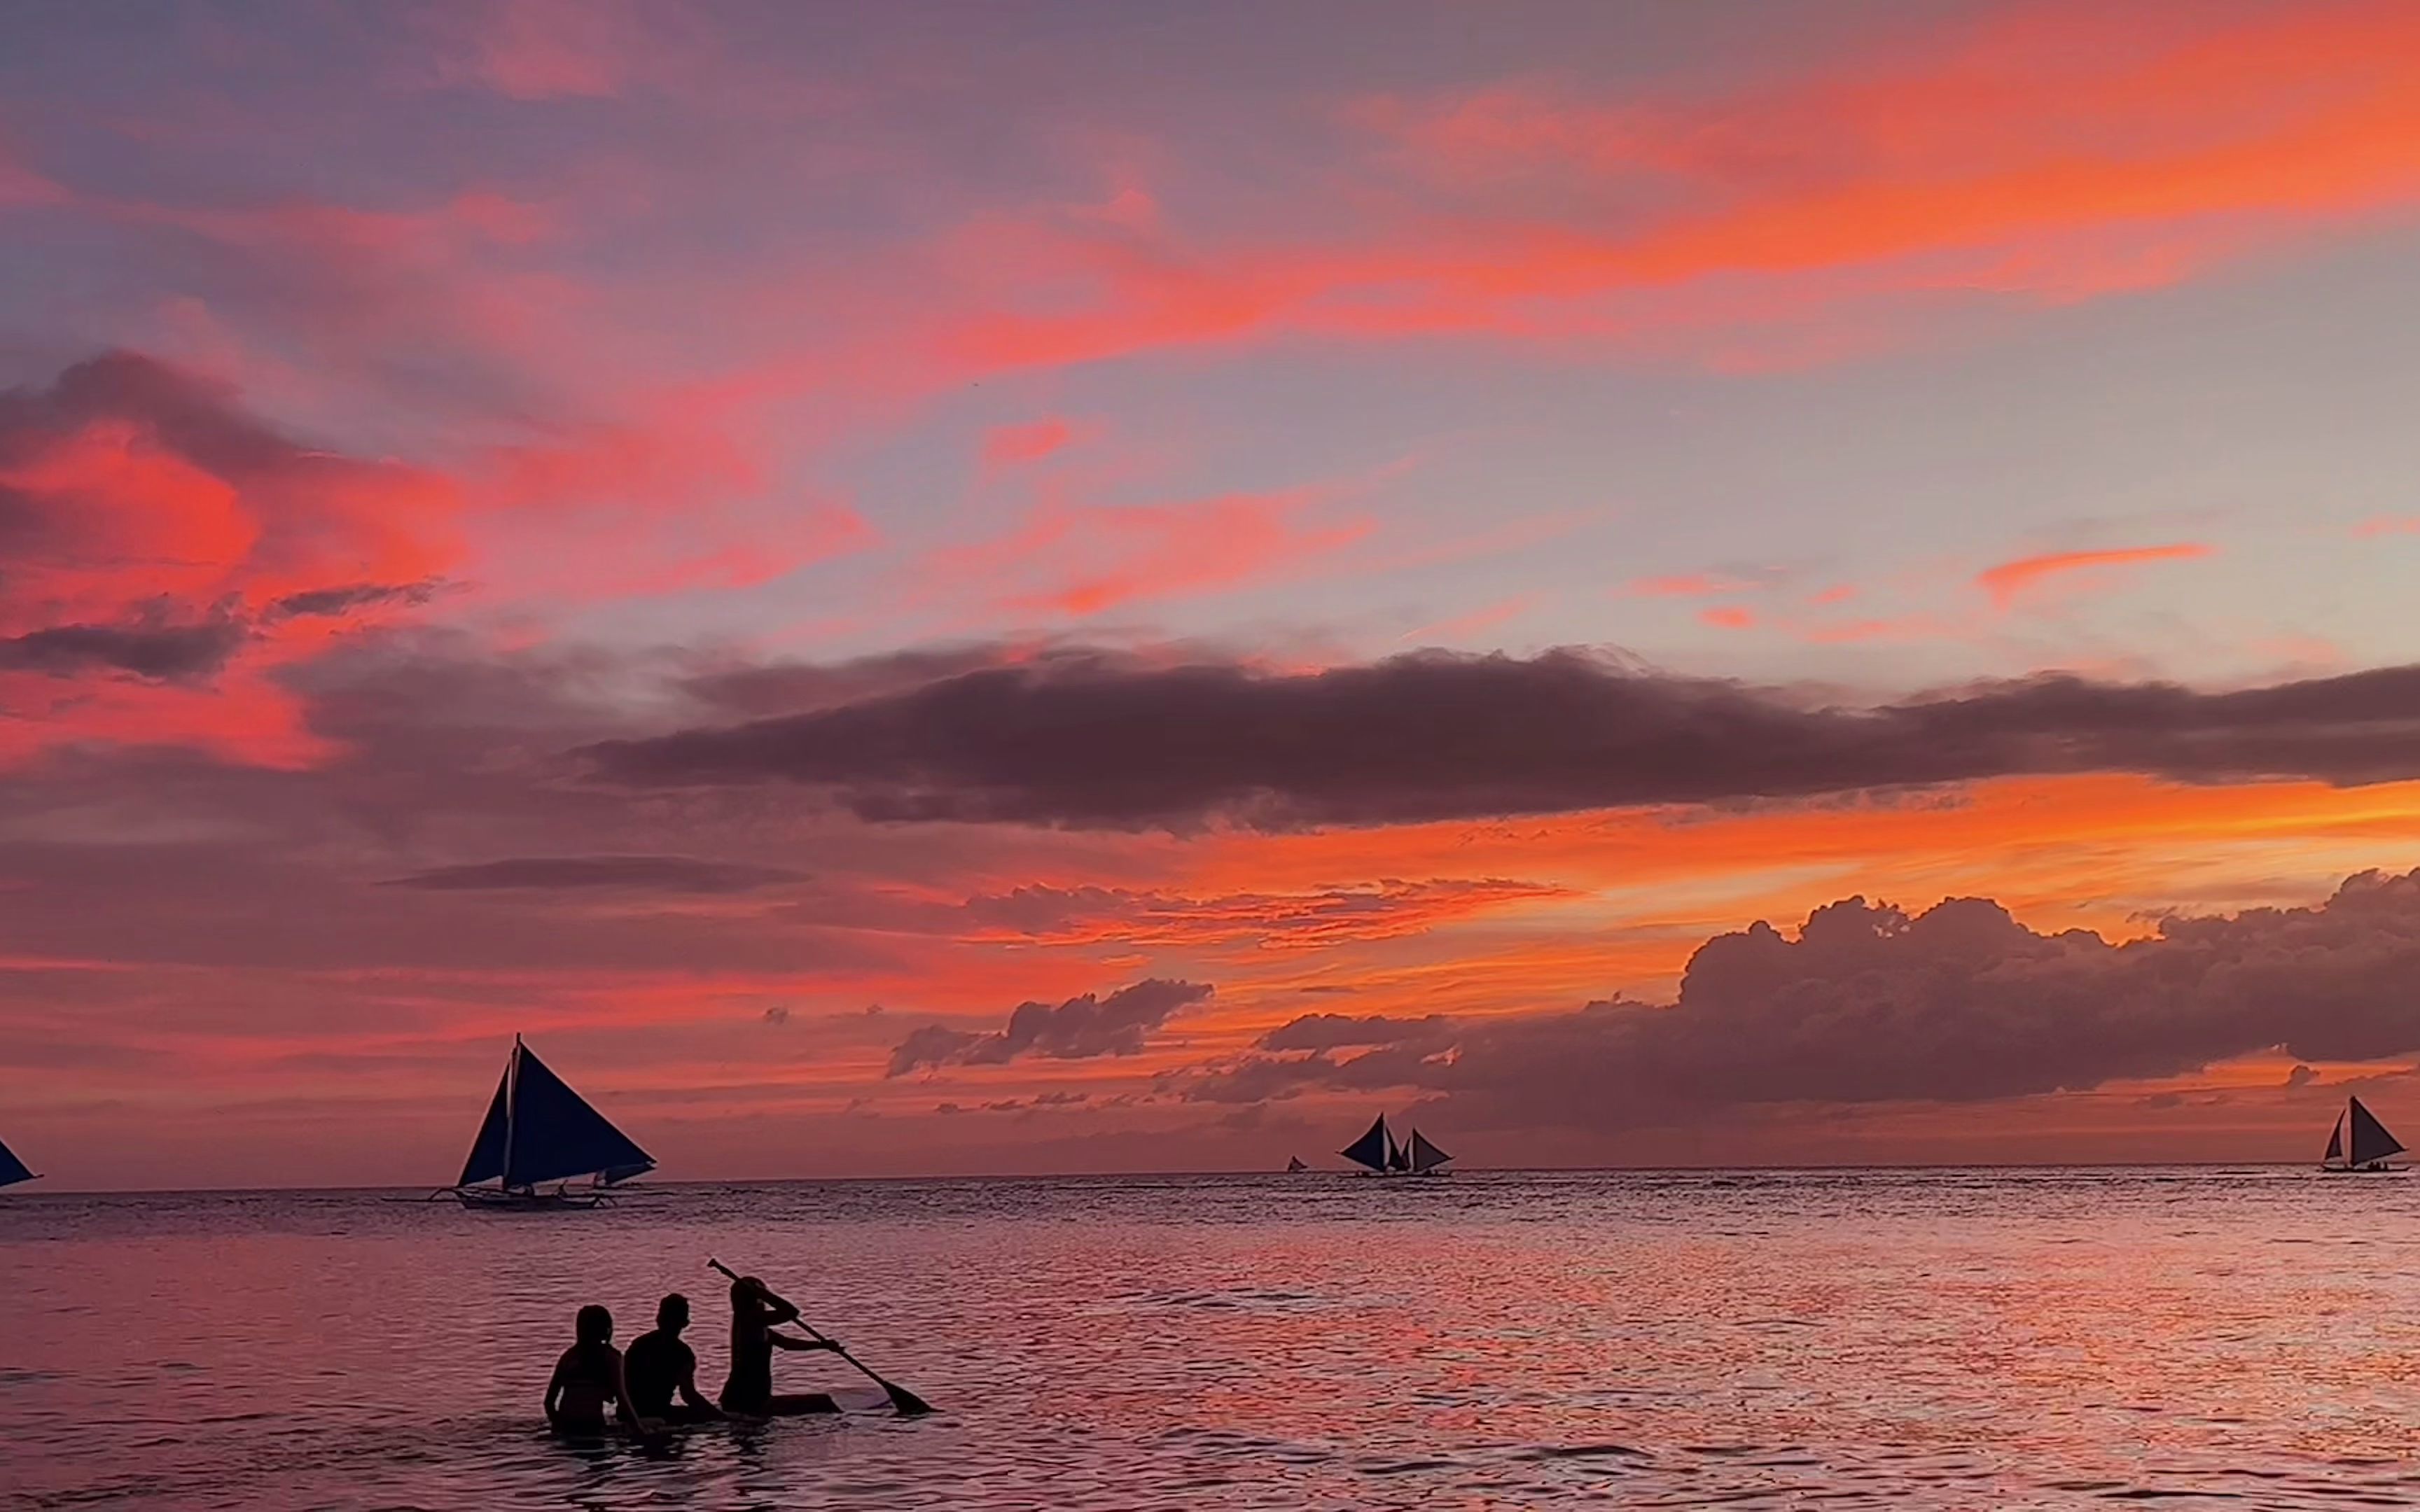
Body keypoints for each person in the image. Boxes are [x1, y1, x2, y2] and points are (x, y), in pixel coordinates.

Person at [718, 1275, 841, 1416]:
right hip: (745, 1400)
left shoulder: (759, 1327)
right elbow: (790, 1312)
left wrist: (823, 1345)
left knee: (823, 1402)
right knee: (823, 1403)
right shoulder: (750, 1320)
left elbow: (787, 1343)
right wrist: (763, 1293)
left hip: (755, 1398)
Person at [544, 1303, 656, 1435]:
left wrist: (558, 1424)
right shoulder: (611, 1357)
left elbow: (549, 1402)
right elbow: (622, 1397)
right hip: (593, 1424)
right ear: (607, 1329)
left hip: (567, 1424)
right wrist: (639, 1429)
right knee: (657, 1423)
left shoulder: (568, 1357)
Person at [625, 1293, 722, 1425]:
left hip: (628, 1411)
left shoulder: (638, 1345)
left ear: (659, 1318)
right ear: (685, 1323)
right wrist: (719, 1416)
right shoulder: (683, 1353)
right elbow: (689, 1395)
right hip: (658, 1412)